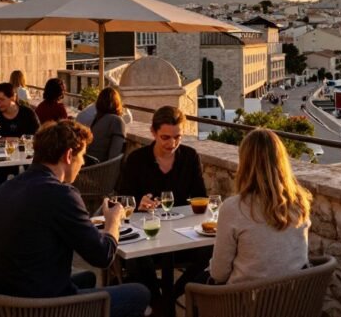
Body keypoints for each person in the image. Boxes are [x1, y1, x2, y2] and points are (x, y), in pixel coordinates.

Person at [0, 120, 149, 317]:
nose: (83, 163)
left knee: (87, 278)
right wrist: (113, 221)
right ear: (68, 155)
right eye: (82, 156)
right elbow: (103, 256)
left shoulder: (7, 187)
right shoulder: (60, 194)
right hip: (36, 309)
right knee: (139, 293)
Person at [118, 106, 207, 300]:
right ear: (153, 132)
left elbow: (201, 197)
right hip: (147, 237)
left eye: (178, 137)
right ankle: (159, 302)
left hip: (182, 238)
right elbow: (123, 201)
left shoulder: (190, 157)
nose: (172, 143)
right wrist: (138, 204)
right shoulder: (137, 160)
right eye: (165, 137)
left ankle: (168, 298)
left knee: (213, 252)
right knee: (136, 259)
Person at [209, 128, 312, 284]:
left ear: (244, 163)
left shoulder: (234, 208)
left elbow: (219, 274)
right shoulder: (299, 202)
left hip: (246, 298)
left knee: (195, 282)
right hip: (293, 296)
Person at [81, 87, 125, 164]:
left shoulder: (95, 119)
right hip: (101, 168)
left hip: (89, 166)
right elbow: (114, 157)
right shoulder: (116, 121)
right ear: (117, 103)